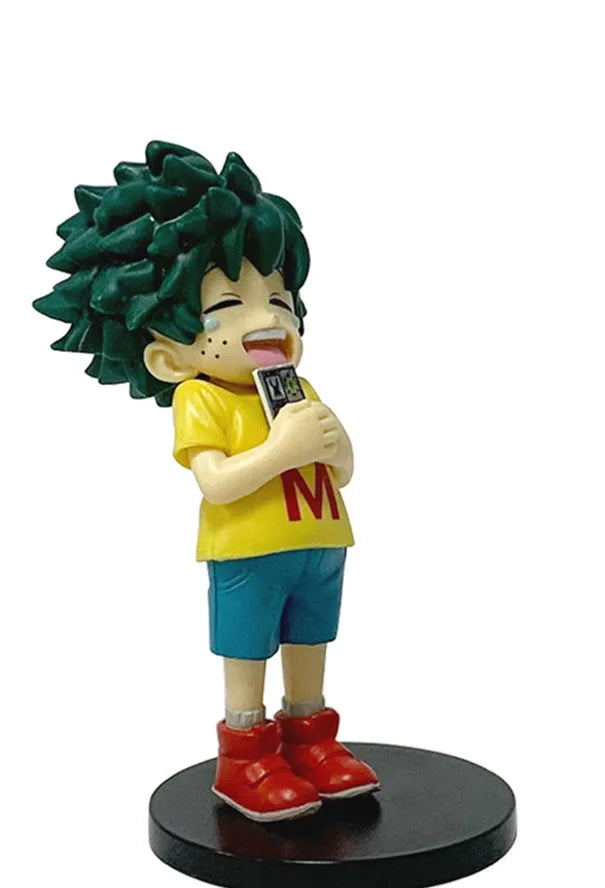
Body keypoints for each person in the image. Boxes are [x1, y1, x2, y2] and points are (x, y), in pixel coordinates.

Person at [35, 140, 379, 821]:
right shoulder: (202, 397)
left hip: (319, 546)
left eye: (279, 299)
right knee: (248, 650)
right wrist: (283, 449)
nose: (269, 320)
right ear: (166, 355)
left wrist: (336, 449)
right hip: (248, 551)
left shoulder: (298, 389)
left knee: (310, 644)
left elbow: (340, 469)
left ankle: (309, 739)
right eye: (228, 306)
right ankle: (244, 757)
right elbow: (216, 482)